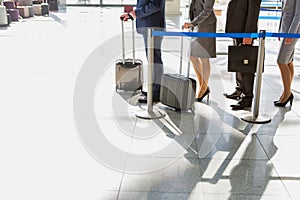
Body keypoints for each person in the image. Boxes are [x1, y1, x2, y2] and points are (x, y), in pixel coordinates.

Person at [120, 0, 165, 103]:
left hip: (153, 27)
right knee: (152, 59)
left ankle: (156, 93)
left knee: (154, 60)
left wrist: (136, 13)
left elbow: (155, 5)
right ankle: (154, 90)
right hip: (149, 26)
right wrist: (131, 15)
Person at [223, 0, 261, 110]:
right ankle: (239, 90)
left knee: (246, 66)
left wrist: (249, 34)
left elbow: (254, 11)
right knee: (238, 62)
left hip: (245, 31)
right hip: (238, 28)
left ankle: (247, 97)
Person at [183, 0, 217, 102]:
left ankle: (203, 88)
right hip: (197, 24)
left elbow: (207, 10)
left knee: (204, 57)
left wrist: (193, 23)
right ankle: (203, 85)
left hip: (206, 24)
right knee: (192, 56)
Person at [274, 0, 300, 107]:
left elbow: (298, 14)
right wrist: (281, 30)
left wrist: (291, 34)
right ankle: (286, 92)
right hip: (286, 29)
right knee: (288, 61)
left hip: (292, 32)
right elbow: (284, 11)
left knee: (281, 61)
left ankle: (287, 94)